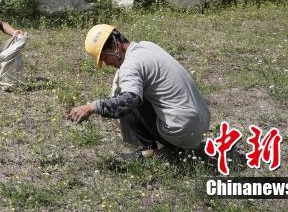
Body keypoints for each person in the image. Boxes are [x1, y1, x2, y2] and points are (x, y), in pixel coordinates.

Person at [68, 24, 210, 159]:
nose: (106, 64)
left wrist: (93, 107)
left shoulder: (131, 64)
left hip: (182, 130)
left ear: (115, 44)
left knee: (123, 96)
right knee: (131, 90)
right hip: (201, 124)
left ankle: (148, 149)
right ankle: (179, 144)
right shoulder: (148, 46)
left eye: (105, 57)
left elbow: (128, 101)